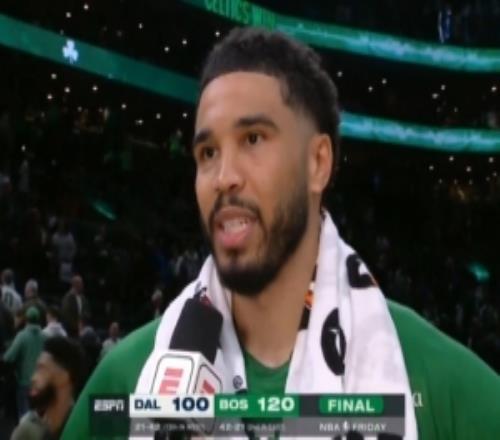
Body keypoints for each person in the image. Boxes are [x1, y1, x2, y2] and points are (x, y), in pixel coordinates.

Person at [62, 28, 500, 439]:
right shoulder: (126, 379)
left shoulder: (438, 384)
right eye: (208, 152)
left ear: (318, 163)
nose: (224, 177)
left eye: (253, 139)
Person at [10, 337, 86, 440]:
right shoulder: (27, 431)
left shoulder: (85, 426)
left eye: (42, 368)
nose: (33, 378)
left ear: (64, 376)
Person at [3, 306, 45, 420]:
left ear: (26, 319)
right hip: (41, 381)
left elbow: (9, 357)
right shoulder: (45, 336)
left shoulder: (22, 336)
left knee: (24, 415)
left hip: (24, 381)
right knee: (39, 415)